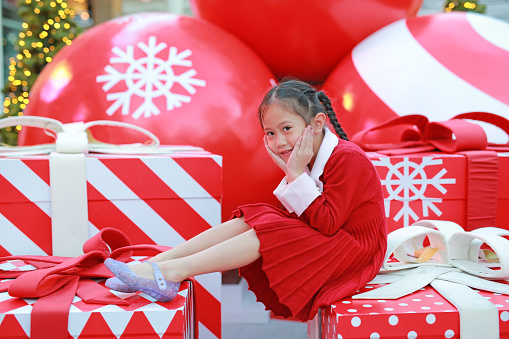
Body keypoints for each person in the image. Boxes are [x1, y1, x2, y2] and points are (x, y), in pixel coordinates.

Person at [104, 79, 388, 321]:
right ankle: (155, 264)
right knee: (254, 216)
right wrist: (294, 173)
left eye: (286, 129)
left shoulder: (348, 158)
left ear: (316, 124)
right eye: (270, 133)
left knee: (271, 228)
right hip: (334, 239)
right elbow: (304, 216)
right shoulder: (310, 158)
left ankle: (170, 272)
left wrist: (295, 173)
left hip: (355, 252)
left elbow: (326, 223)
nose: (279, 142)